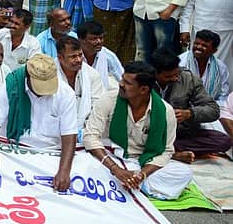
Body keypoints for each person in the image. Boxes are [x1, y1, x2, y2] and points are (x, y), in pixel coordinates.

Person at [83, 61, 193, 200]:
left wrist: (141, 175)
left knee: (184, 172)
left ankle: (131, 183)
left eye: (127, 83)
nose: (121, 84)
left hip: (142, 162)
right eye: (122, 79)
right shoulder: (109, 99)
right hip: (111, 157)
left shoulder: (165, 111)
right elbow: (90, 137)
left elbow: (166, 151)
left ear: (143, 89)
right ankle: (131, 185)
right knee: (85, 164)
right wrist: (116, 169)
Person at [0, 54, 77, 192]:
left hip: (49, 153)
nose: (44, 92)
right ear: (28, 78)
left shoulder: (66, 94)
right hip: (12, 149)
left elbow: (69, 135)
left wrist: (64, 171)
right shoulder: (12, 86)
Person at [152, 47, 231, 160]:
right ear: (155, 73)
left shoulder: (188, 78)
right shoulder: (143, 80)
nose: (175, 78)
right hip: (150, 134)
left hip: (180, 133)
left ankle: (166, 150)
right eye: (168, 76)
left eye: (176, 74)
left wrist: (190, 113)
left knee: (224, 141)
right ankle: (172, 154)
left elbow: (213, 110)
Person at [56, 36, 113, 131]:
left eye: (80, 55)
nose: (79, 60)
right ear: (60, 58)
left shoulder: (92, 74)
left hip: (85, 129)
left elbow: (97, 106)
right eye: (73, 56)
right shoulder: (49, 74)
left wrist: (85, 129)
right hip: (53, 128)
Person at [179, 30, 229, 103]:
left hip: (210, 109)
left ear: (214, 51)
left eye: (204, 45)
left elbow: (223, 96)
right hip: (182, 107)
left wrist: (208, 108)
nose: (198, 47)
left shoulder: (221, 67)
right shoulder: (180, 62)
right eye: (196, 43)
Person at [77, 21, 124, 91]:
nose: (99, 41)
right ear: (81, 40)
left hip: (101, 96)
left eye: (101, 38)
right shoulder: (73, 56)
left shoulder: (108, 55)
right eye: (94, 39)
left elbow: (121, 77)